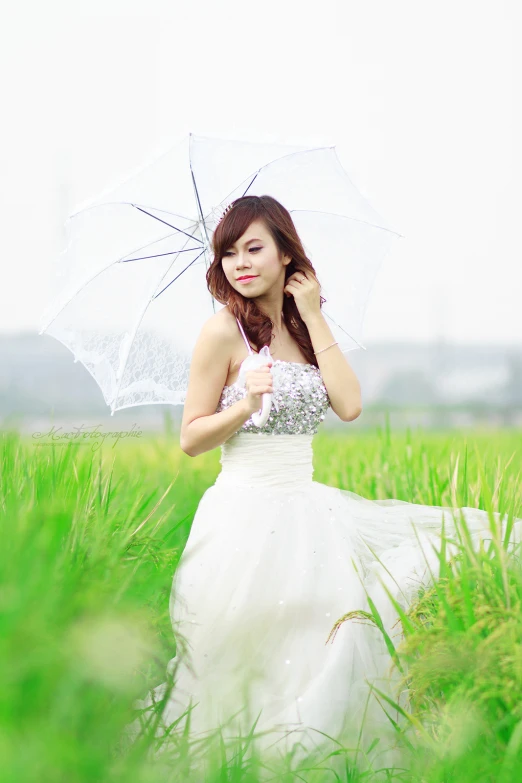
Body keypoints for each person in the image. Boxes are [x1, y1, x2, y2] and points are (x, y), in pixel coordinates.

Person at [126, 195, 522, 772]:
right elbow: (191, 437)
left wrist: (312, 313)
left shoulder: (303, 327)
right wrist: (246, 405)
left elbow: (351, 404)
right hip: (241, 517)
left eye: (255, 248)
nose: (241, 262)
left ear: (287, 254)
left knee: (324, 648)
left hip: (309, 516)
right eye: (229, 252)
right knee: (242, 660)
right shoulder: (221, 333)